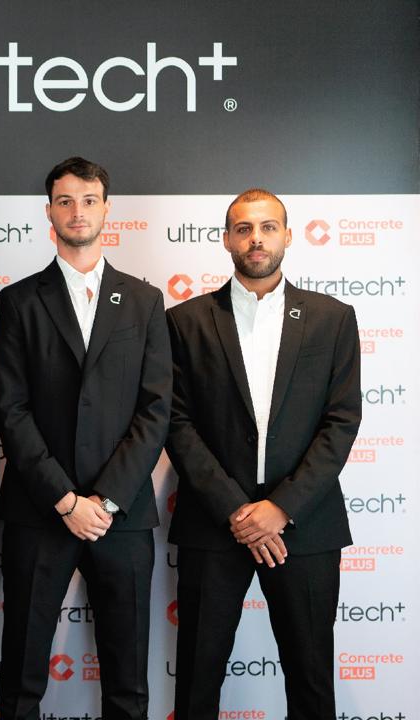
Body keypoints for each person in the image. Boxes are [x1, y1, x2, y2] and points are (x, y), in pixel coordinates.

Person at [165, 189, 360, 720]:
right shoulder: (184, 321)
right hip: (213, 525)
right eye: (244, 228)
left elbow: (341, 421)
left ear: (288, 236)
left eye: (268, 227)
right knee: (197, 682)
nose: (256, 239)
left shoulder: (333, 318)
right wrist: (236, 509)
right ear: (227, 239)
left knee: (311, 681)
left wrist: (281, 507)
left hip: (306, 526)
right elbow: (176, 423)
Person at [0, 157, 171, 720]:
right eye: (65, 201)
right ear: (48, 211)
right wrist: (66, 500)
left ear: (106, 209)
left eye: (89, 200)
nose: (78, 211)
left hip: (122, 516)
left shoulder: (144, 301)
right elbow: (11, 409)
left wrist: (106, 499)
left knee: (128, 683)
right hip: (40, 511)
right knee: (21, 680)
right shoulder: (19, 300)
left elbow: (156, 409)